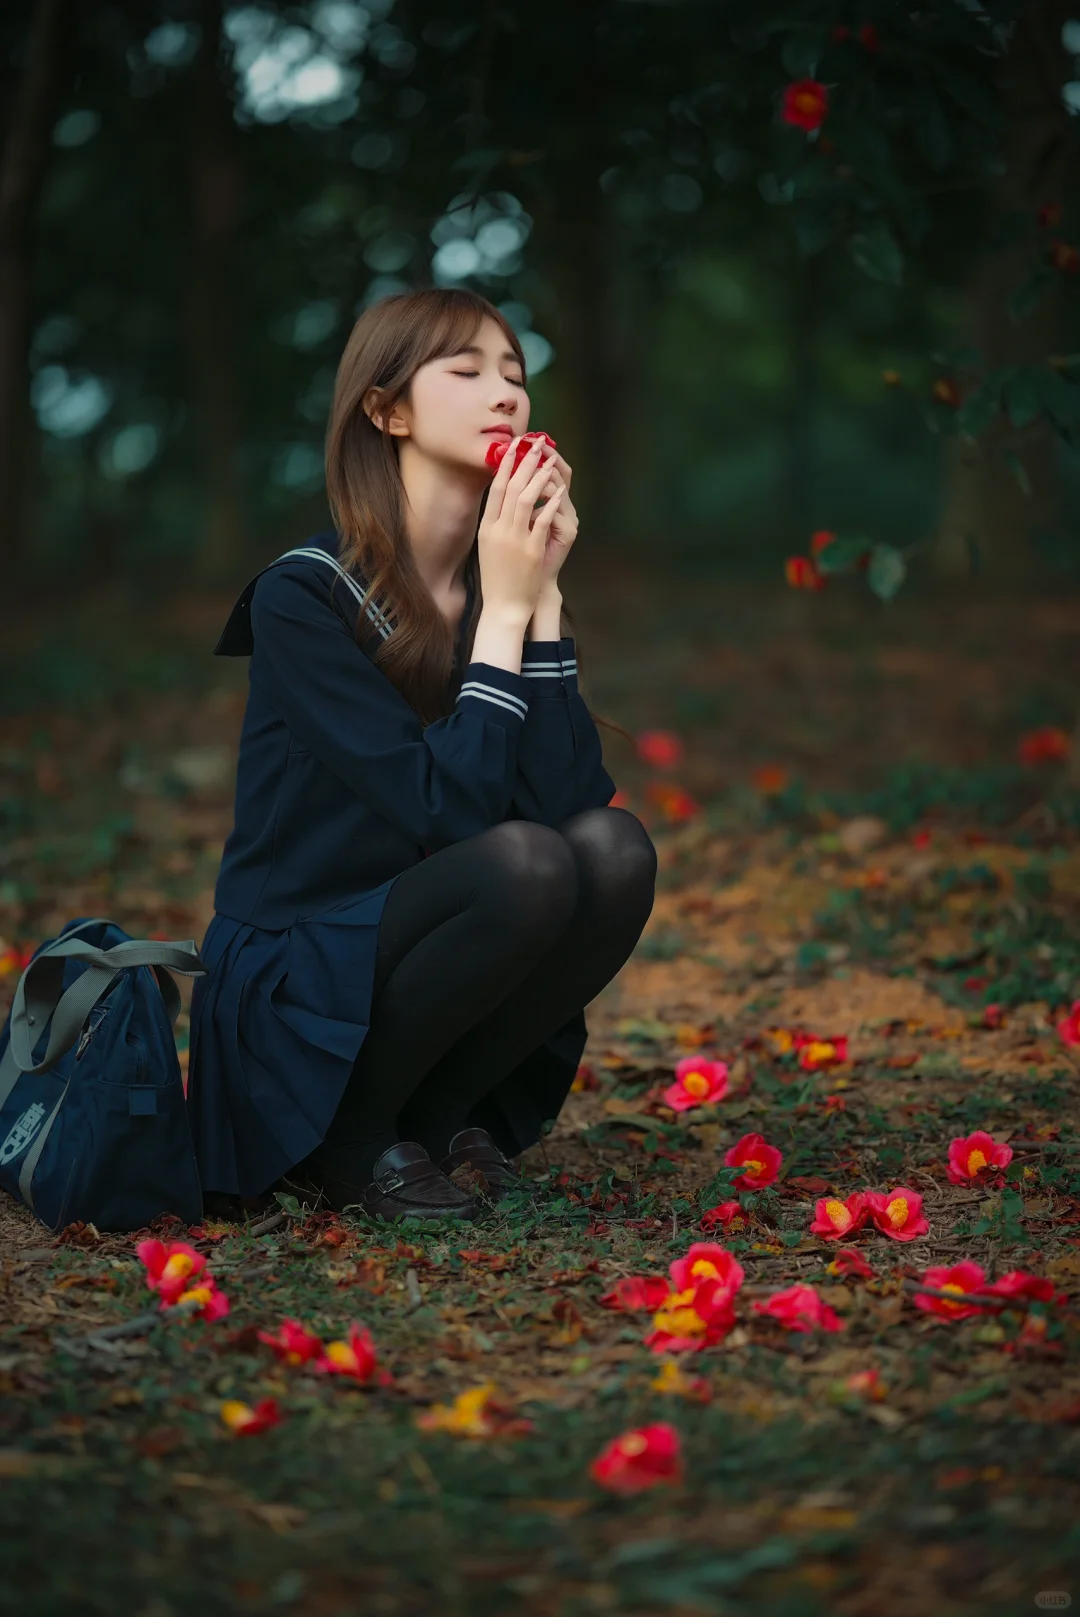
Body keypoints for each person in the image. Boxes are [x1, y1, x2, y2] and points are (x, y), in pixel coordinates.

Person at [187, 286, 657, 1223]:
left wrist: (540, 599)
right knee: (522, 864)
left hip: (425, 941)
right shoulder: (303, 598)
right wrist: (512, 613)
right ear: (387, 409)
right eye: (468, 369)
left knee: (613, 850)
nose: (506, 393)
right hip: (299, 976)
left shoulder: (501, 589)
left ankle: (441, 1114)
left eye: (516, 374)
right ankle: (349, 1142)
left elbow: (569, 803)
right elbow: (454, 816)